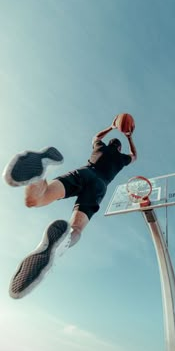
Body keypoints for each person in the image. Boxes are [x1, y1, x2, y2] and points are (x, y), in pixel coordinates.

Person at [3, 116, 137, 299]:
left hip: (84, 172)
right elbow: (134, 156)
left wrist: (111, 126)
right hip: (99, 186)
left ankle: (39, 176)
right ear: (119, 148)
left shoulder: (100, 147)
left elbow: (96, 136)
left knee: (37, 199)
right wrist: (129, 136)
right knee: (76, 228)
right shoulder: (121, 159)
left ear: (109, 143)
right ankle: (61, 245)